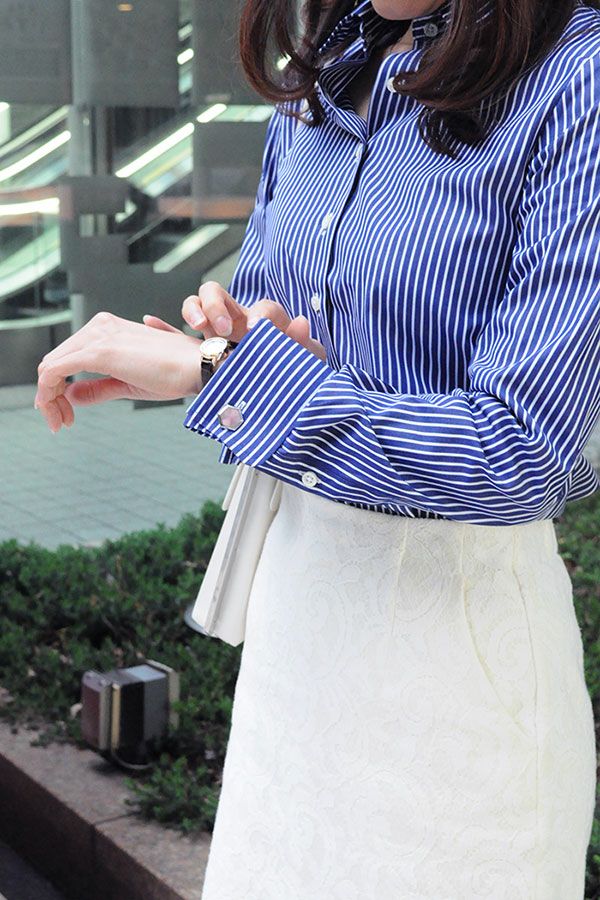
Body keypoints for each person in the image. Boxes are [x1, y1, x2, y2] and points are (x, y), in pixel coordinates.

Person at [35, 0, 599, 896]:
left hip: (455, 673)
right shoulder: (330, 62)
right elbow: (270, 325)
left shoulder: (577, 76)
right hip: (294, 640)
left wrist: (220, 372)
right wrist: (227, 343)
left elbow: (523, 450)